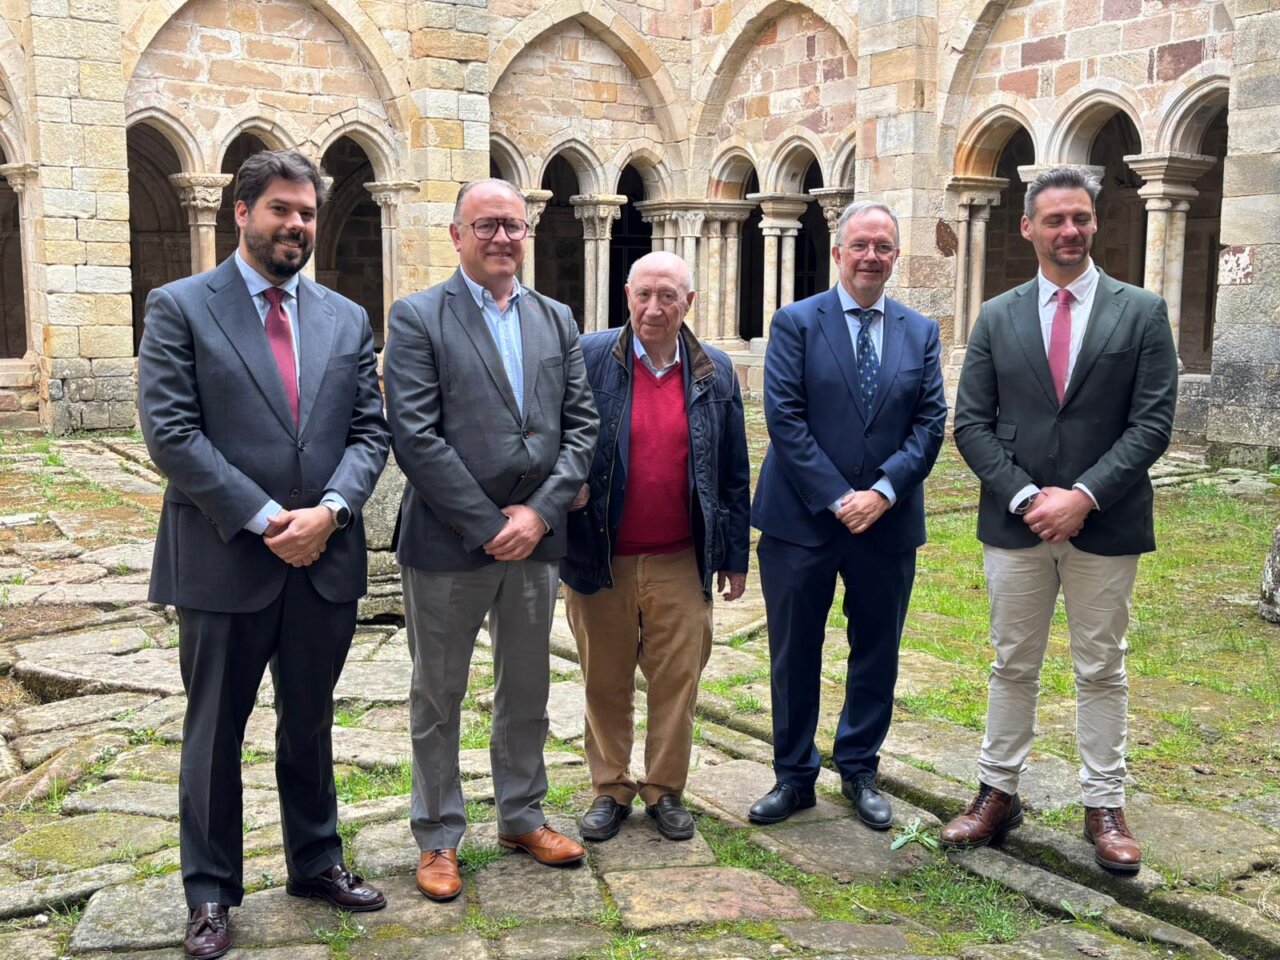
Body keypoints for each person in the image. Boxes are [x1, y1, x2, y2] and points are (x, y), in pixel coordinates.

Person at [137, 149, 391, 960]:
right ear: (241, 212)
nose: (297, 225)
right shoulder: (179, 306)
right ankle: (209, 892)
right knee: (215, 730)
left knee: (310, 721)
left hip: (324, 556)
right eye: (281, 209)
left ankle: (316, 860)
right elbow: (171, 433)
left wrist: (332, 511)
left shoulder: (346, 318)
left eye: (308, 212)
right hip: (223, 559)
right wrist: (265, 517)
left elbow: (369, 432)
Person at [942, 167, 1177, 872]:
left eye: (1080, 218)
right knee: (1011, 661)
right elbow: (971, 424)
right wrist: (1025, 498)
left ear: (1095, 223)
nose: (1068, 231)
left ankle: (1104, 804)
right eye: (1054, 220)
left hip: (1105, 523)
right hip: (1016, 526)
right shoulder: (996, 315)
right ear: (1028, 228)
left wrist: (1083, 495)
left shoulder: (1141, 311)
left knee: (1102, 666)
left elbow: (1153, 422)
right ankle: (996, 791)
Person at [383, 178, 599, 902]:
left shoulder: (555, 317)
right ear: (456, 235)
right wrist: (487, 524)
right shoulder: (417, 317)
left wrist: (536, 516)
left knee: (527, 687)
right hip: (449, 542)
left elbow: (581, 425)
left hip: (536, 540)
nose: (502, 237)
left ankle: (521, 814)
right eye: (486, 226)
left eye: (512, 224)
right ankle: (439, 834)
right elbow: (413, 434)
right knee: (439, 694)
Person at [748, 200, 947, 829]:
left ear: (895, 256)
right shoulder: (796, 323)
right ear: (838, 253)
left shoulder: (920, 331)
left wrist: (882, 492)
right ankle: (793, 775)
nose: (870, 257)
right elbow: (785, 417)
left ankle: (859, 769)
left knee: (876, 651)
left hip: (885, 524)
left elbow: (930, 421)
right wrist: (839, 497)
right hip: (801, 521)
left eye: (882, 247)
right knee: (794, 650)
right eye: (859, 245)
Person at [561, 251, 751, 843]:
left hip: (681, 556)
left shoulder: (714, 371)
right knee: (604, 678)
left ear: (688, 302)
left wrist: (734, 557)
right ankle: (610, 788)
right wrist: (566, 486)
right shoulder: (591, 358)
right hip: (602, 552)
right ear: (626, 295)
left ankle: (666, 790)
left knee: (677, 681)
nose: (654, 307)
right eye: (644, 294)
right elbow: (557, 432)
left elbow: (733, 473)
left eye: (668, 295)